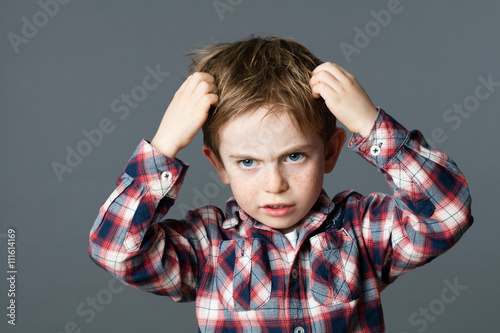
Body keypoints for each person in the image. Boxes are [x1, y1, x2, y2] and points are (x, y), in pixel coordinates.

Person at [89, 36, 473, 332]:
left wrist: (371, 126)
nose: (274, 184)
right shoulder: (208, 245)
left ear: (330, 152)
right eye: (248, 162)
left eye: (294, 157)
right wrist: (163, 146)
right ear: (219, 165)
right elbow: (116, 250)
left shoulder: (362, 230)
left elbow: (447, 212)